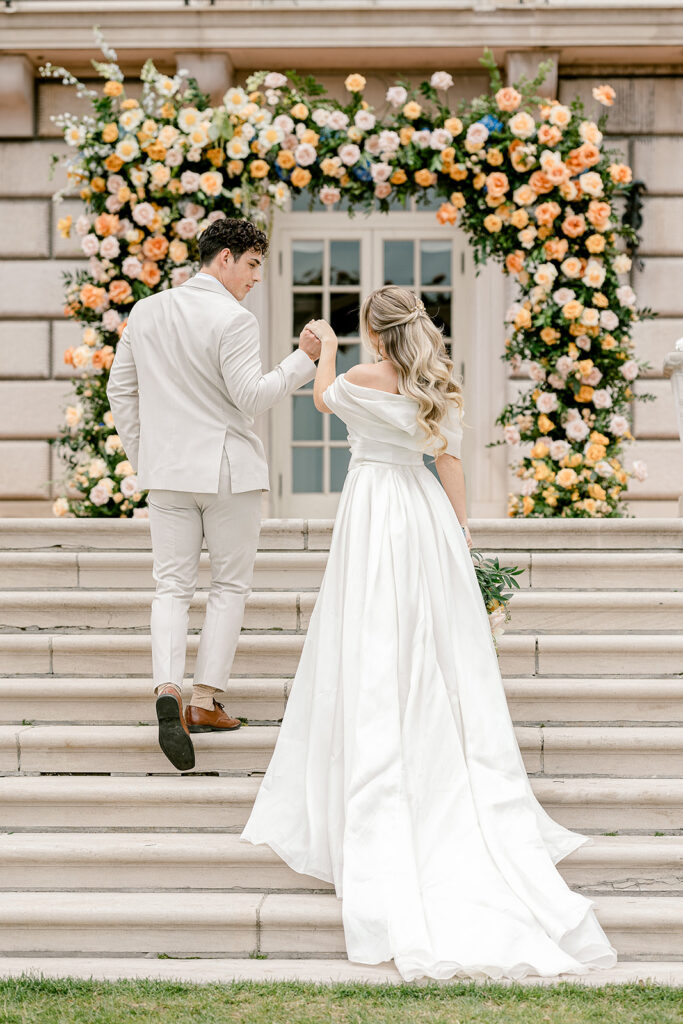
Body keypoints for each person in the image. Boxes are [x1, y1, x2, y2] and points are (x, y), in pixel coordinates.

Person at [240, 284, 618, 982]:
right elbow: (448, 461)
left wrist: (320, 349)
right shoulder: (437, 384)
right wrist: (461, 530)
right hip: (422, 514)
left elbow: (322, 400)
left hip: (372, 510)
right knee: (428, 642)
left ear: (371, 331)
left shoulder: (356, 377)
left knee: (372, 637)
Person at [106, 218, 321, 772]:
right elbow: (251, 397)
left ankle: (167, 687)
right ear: (225, 258)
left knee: (171, 586)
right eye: (252, 265)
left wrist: (143, 455)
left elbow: (120, 390)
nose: (255, 279)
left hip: (168, 473)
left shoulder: (147, 311)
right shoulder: (234, 318)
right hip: (229, 472)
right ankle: (204, 701)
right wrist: (303, 359)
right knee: (228, 586)